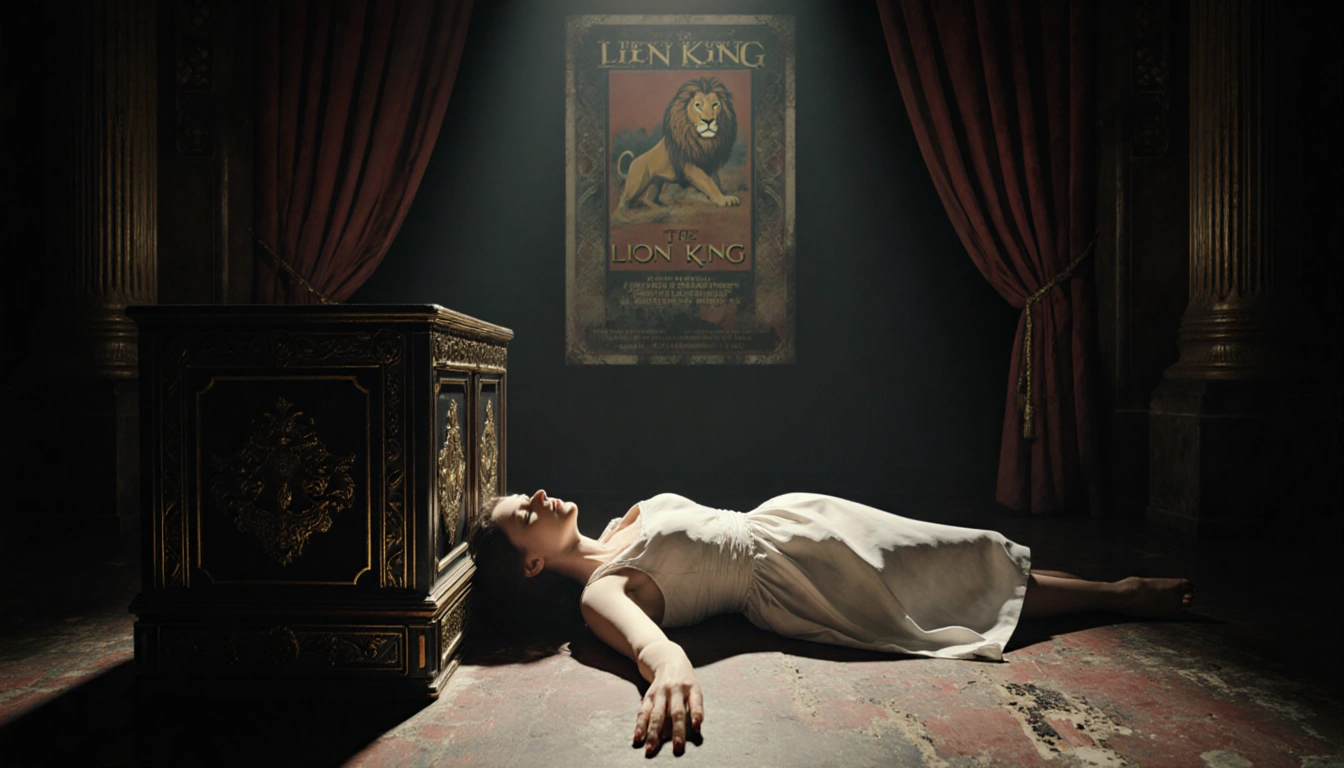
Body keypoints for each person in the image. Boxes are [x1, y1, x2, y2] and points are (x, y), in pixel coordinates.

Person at [467, 489, 1193, 757]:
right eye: (522, 517)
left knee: (957, 550)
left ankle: (1111, 589)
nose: (537, 497)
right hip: (793, 580)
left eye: (524, 494)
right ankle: (1122, 595)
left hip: (798, 520)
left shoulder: (625, 522)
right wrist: (669, 676)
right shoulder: (602, 592)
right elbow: (656, 649)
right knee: (936, 585)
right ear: (532, 565)